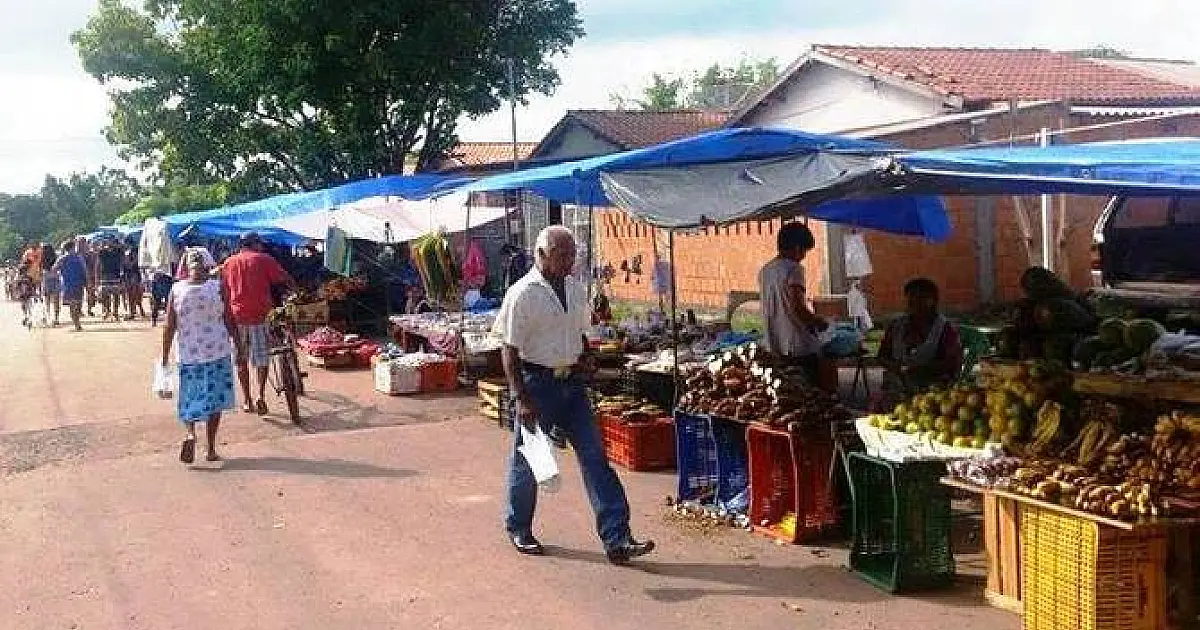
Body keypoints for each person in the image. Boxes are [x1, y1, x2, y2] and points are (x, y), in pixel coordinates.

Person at [494, 226, 655, 564]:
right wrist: (519, 396)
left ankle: (617, 538)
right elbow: (508, 350)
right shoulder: (522, 293)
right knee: (530, 460)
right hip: (537, 385)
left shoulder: (575, 288)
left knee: (596, 458)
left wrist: (586, 356)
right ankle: (518, 527)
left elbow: (578, 333)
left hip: (573, 386)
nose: (570, 262)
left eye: (572, 255)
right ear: (541, 255)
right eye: (562, 255)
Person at [162, 250, 241, 464]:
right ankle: (211, 448)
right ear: (207, 265)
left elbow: (169, 326)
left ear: (187, 268)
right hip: (217, 352)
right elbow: (229, 319)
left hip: (189, 355)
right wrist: (240, 346)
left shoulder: (176, 290)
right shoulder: (216, 287)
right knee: (214, 401)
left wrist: (164, 356)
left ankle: (190, 434)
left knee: (189, 397)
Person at [220, 231, 296, 415]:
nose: (261, 246)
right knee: (262, 357)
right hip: (261, 315)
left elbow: (224, 292)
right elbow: (284, 279)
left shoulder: (228, 263)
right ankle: (260, 395)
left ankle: (247, 399)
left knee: (241, 360)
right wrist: (295, 291)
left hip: (237, 317)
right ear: (253, 244)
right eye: (259, 243)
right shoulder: (263, 259)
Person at [757, 222, 828, 384]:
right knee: (810, 392)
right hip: (797, 345)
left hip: (774, 342)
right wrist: (819, 322)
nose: (803, 256)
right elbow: (798, 308)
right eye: (804, 251)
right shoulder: (794, 269)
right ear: (797, 248)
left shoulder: (765, 270)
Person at [878, 278, 964, 399]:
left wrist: (923, 369)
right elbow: (882, 356)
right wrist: (895, 367)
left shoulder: (945, 329)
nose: (914, 302)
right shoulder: (896, 325)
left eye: (921, 298)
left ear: (934, 301)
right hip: (896, 388)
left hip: (933, 393)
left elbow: (954, 363)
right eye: (911, 297)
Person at [53, 240, 88, 332]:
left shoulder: (63, 258)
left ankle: (76, 322)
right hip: (75, 284)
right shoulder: (76, 257)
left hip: (69, 284)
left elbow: (54, 269)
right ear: (72, 247)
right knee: (76, 304)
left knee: (74, 305)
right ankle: (77, 323)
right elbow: (85, 270)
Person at [95, 238, 125, 321]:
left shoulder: (119, 252)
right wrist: (97, 278)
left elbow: (122, 259)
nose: (111, 243)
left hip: (116, 275)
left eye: (113, 242)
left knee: (116, 295)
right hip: (105, 275)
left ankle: (115, 312)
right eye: (109, 242)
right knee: (105, 295)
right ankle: (107, 310)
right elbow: (98, 264)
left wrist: (122, 275)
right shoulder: (102, 252)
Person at [122, 242, 145, 320]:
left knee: (134, 295)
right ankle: (134, 312)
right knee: (131, 295)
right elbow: (126, 266)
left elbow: (131, 265)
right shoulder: (127, 253)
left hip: (134, 276)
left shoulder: (133, 253)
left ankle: (134, 312)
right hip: (130, 276)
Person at [40, 242, 61, 326]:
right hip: (55, 278)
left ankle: (47, 317)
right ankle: (56, 318)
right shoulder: (55, 258)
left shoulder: (42, 259)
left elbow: (40, 271)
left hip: (46, 279)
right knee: (56, 300)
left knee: (46, 300)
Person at [13, 262, 35, 329]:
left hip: (28, 295)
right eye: (23, 271)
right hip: (23, 295)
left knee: (28, 307)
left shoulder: (29, 278)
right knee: (24, 307)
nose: (24, 272)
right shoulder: (19, 279)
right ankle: (26, 317)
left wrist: (33, 293)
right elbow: (17, 287)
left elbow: (32, 286)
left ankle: (29, 318)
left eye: (25, 270)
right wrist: (17, 293)